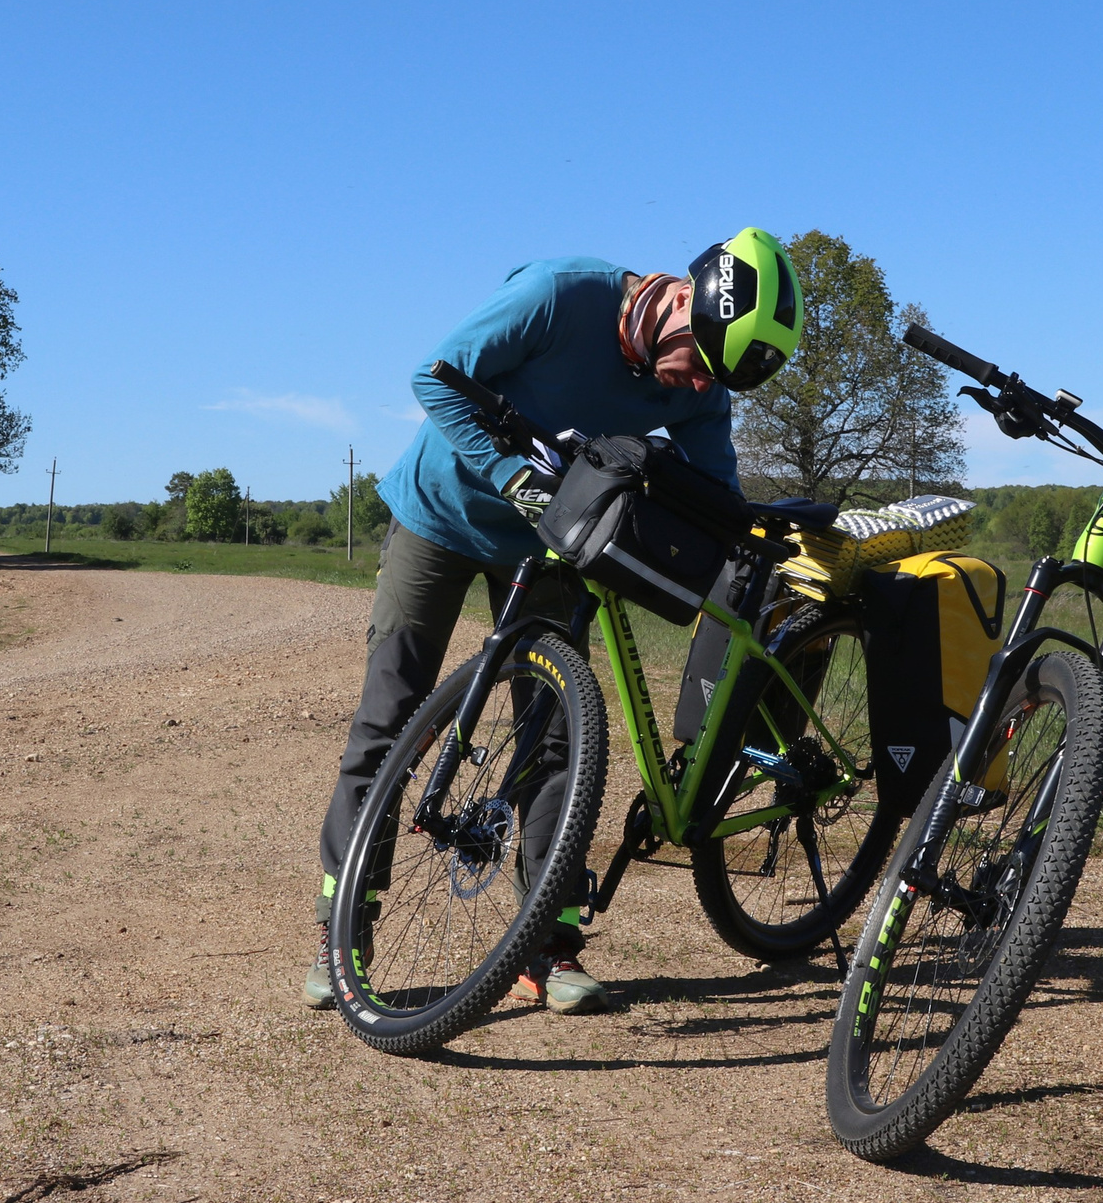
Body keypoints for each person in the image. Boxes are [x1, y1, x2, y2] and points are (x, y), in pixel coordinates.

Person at [305, 229, 804, 1014]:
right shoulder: (560, 294)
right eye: (702, 360)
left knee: (555, 732)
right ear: (682, 300)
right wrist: (510, 474)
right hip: (440, 515)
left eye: (719, 376)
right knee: (391, 713)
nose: (701, 384)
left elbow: (717, 497)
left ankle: (547, 938)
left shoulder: (704, 387)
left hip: (549, 543)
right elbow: (435, 377)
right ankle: (344, 927)